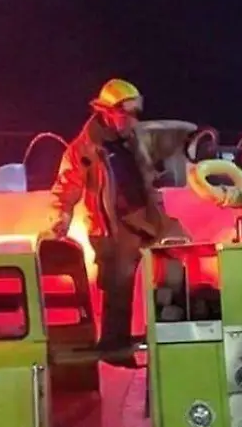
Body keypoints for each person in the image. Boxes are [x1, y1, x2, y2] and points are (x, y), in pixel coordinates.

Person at [45, 79, 187, 360]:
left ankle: (171, 331)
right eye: (128, 112)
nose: (133, 119)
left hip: (147, 215)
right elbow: (65, 187)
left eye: (136, 112)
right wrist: (59, 220)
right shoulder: (83, 149)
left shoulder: (136, 139)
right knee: (119, 280)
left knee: (178, 255)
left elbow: (167, 146)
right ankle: (114, 348)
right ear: (107, 112)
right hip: (113, 225)